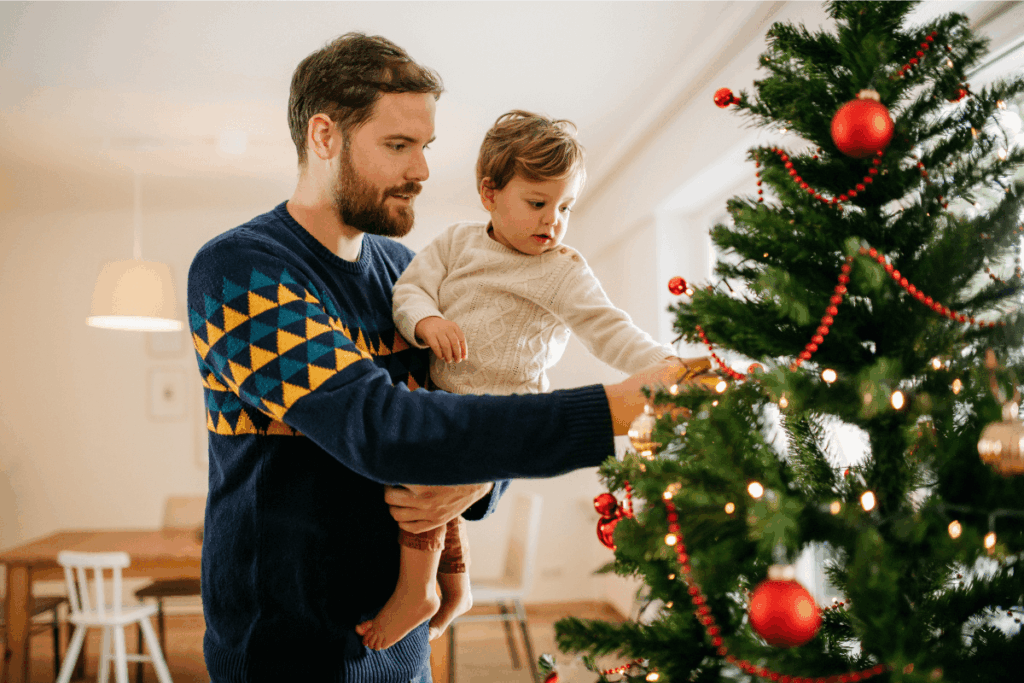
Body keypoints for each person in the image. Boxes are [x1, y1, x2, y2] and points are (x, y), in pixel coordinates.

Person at [187, 32, 696, 683]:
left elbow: (466, 408)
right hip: (288, 649)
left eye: (424, 147)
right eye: (398, 146)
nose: (423, 171)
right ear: (324, 137)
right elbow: (381, 429)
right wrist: (615, 409)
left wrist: (480, 477)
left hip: (404, 646)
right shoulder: (240, 270)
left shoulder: (403, 272)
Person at [355, 110, 678, 652]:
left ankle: (417, 592)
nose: (552, 221)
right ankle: (453, 587)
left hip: (508, 414)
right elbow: (410, 291)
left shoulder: (562, 270)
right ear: (489, 192)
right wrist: (426, 322)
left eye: (565, 207)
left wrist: (667, 367)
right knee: (424, 484)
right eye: (537, 203)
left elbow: (608, 329)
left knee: (426, 481)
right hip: (445, 399)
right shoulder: (457, 244)